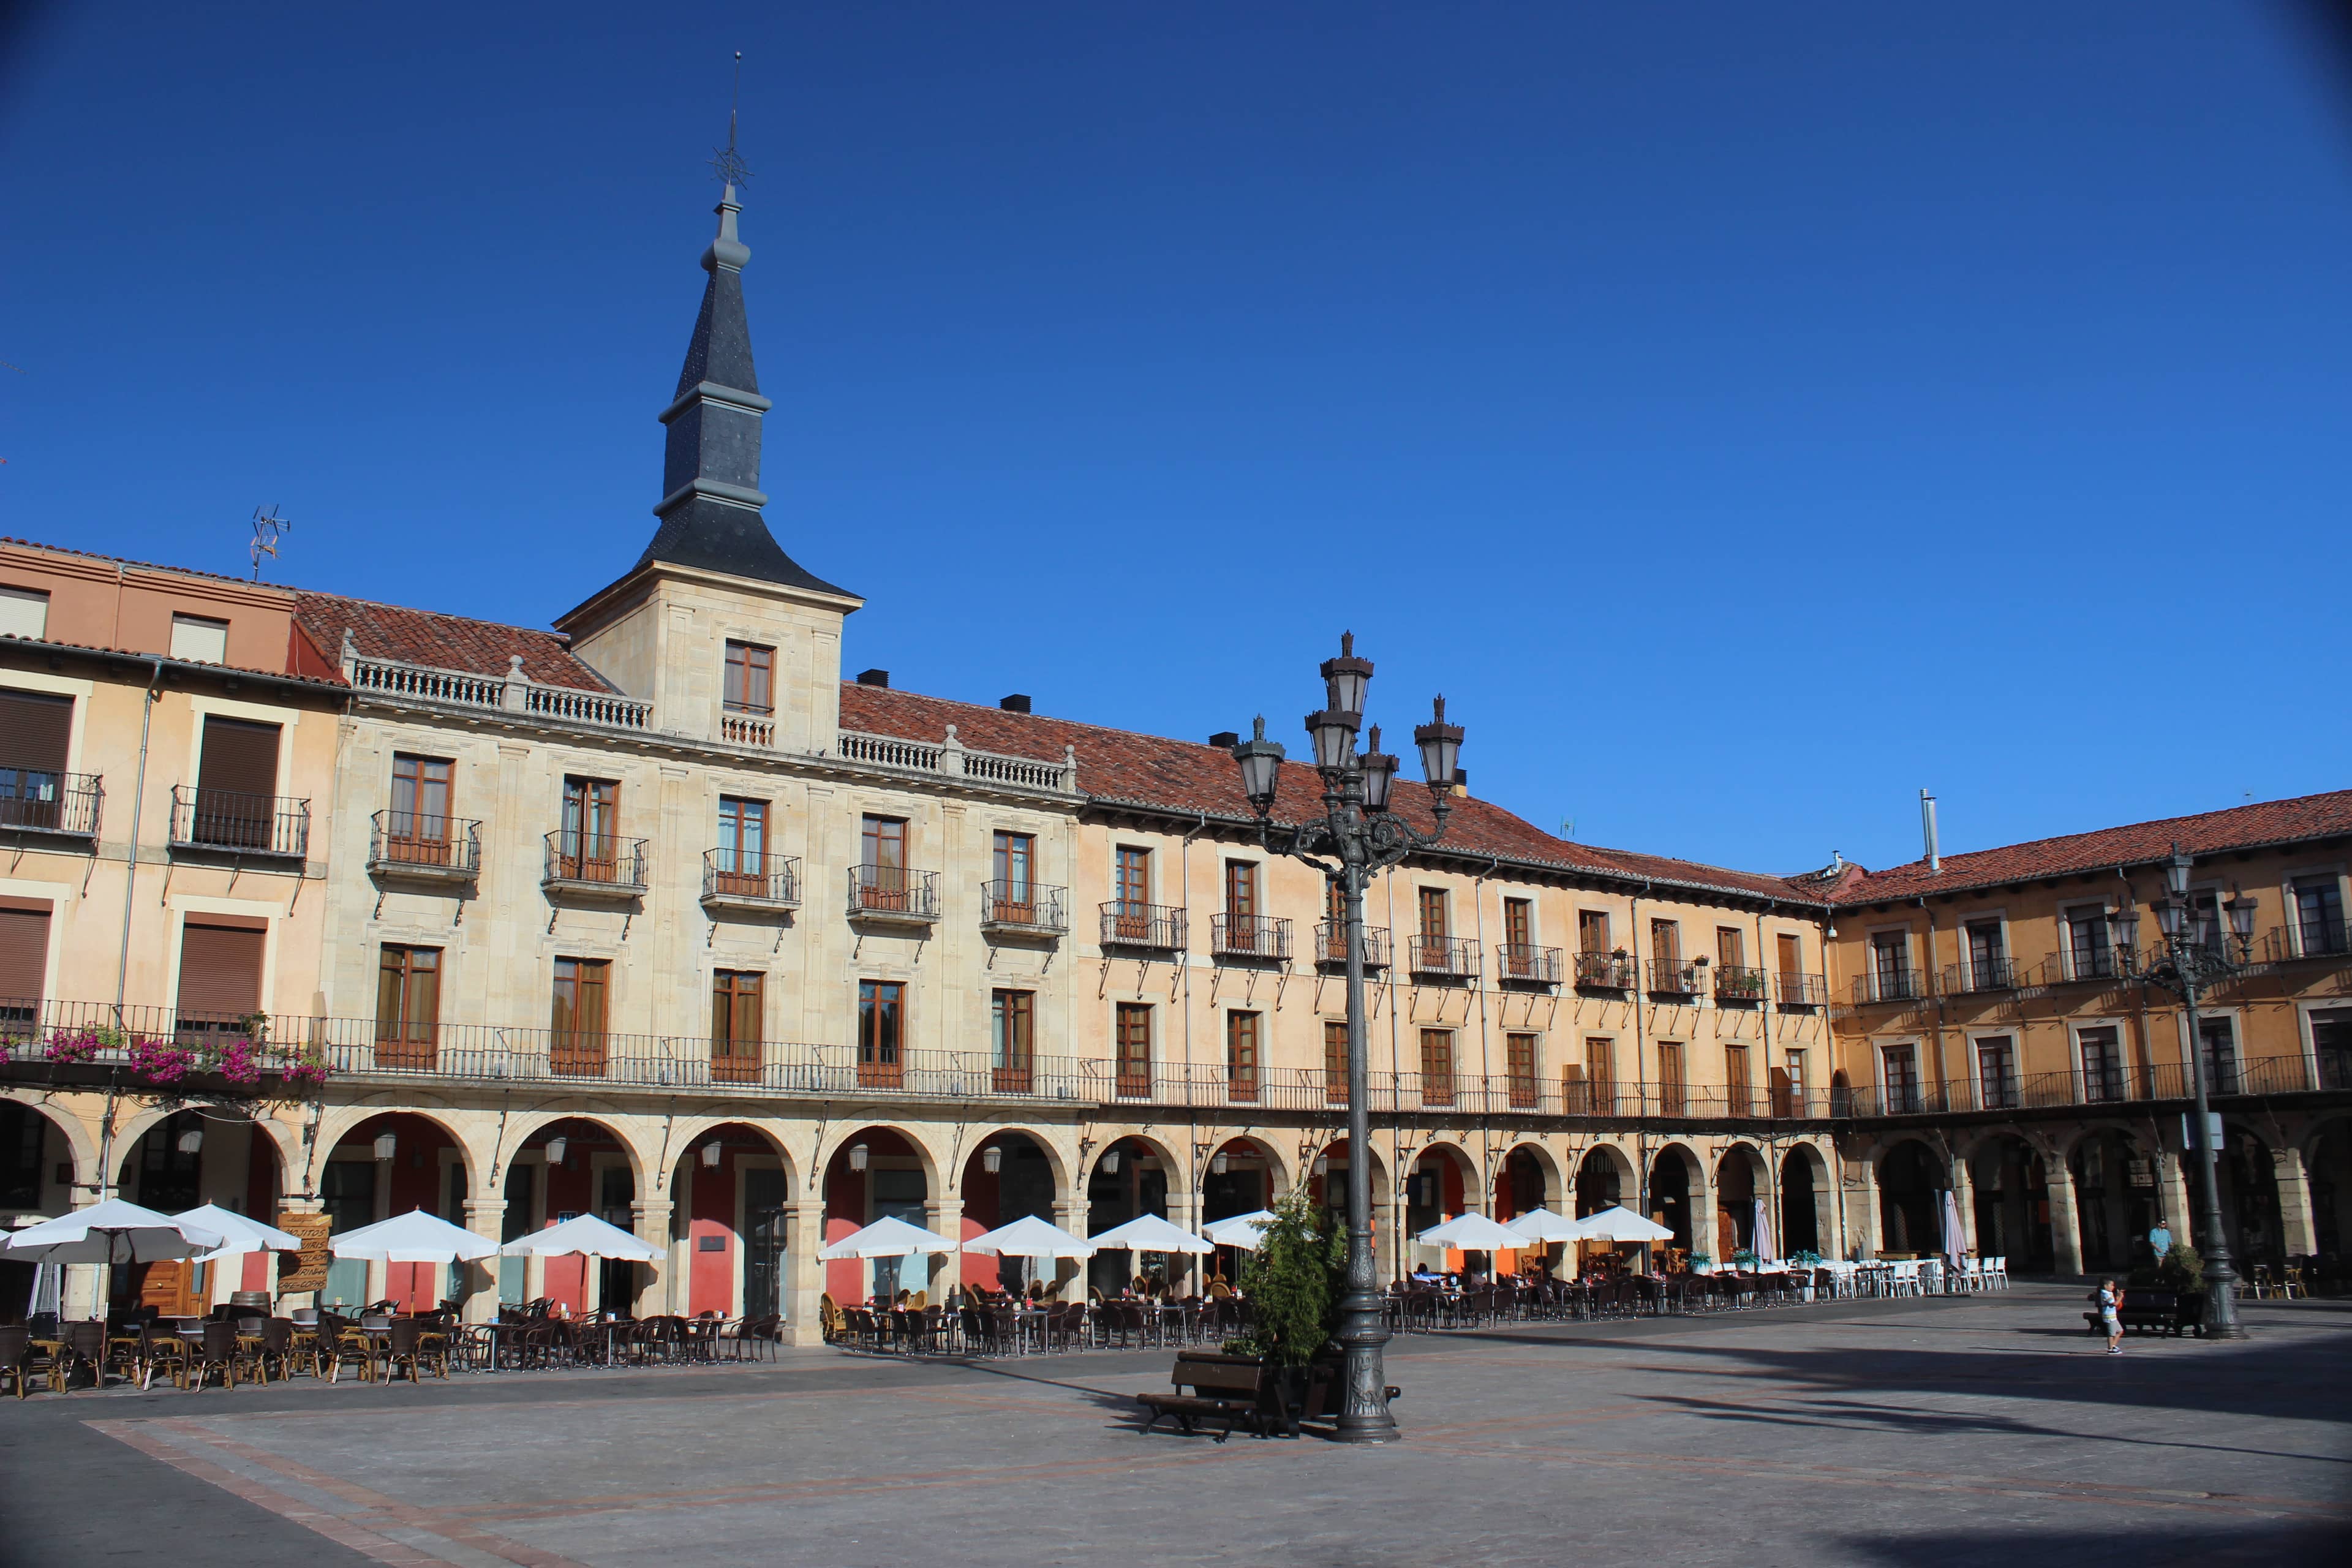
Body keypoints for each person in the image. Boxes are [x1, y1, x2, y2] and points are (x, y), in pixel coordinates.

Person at [2097, 1278, 2125, 1354]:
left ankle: (2113, 1346)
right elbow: (2115, 1304)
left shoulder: (2109, 1293)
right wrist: (2121, 1297)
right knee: (2111, 1334)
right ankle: (2110, 1349)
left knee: (2120, 1331)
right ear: (2106, 1286)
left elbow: (2115, 1302)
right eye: (2111, 1285)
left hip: (2113, 1316)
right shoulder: (2105, 1294)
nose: (2113, 1287)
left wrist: (2119, 1296)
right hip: (2109, 1317)